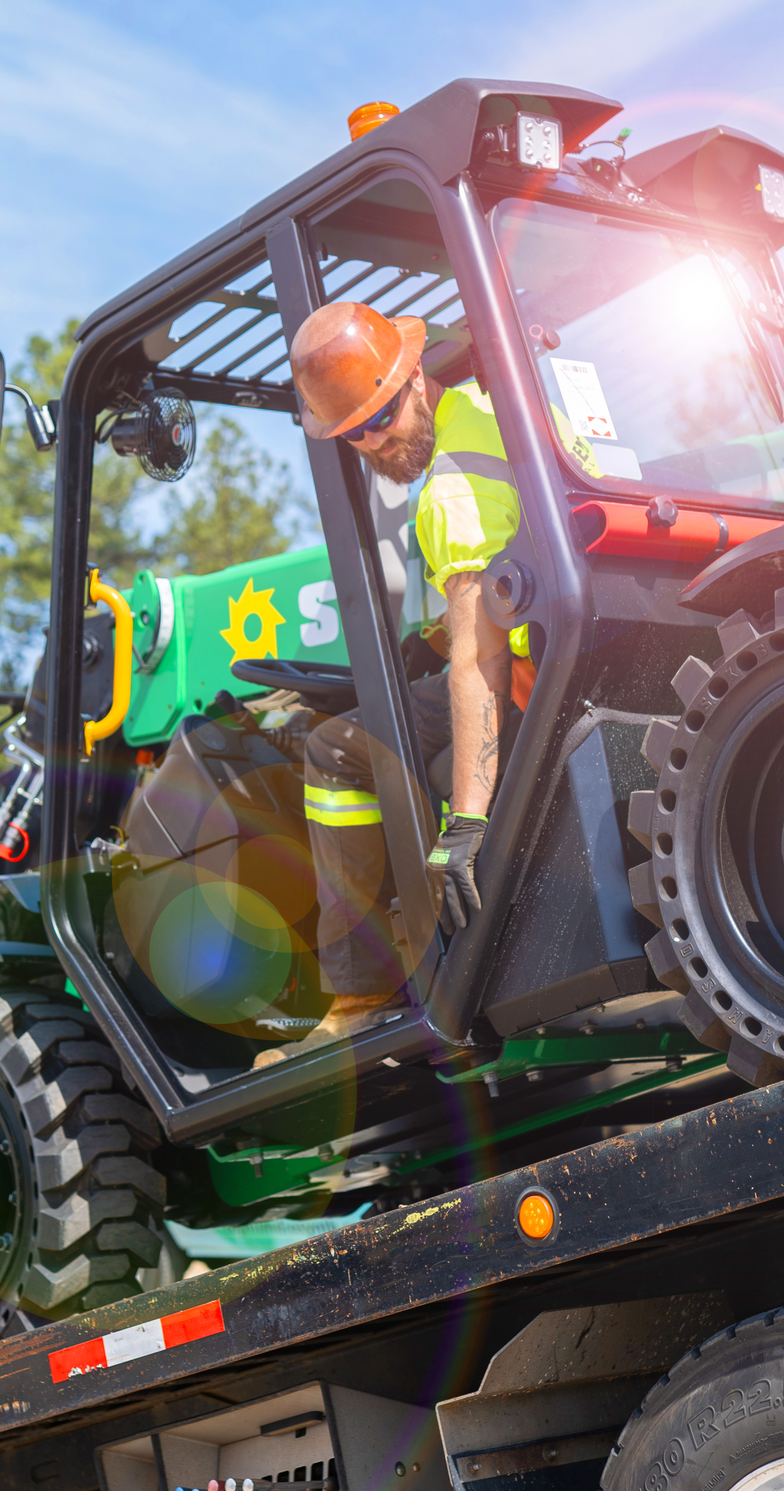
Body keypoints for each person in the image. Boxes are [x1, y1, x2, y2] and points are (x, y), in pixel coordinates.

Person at [253, 301, 522, 1066]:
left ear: (414, 374)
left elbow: (482, 662)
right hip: (568, 647)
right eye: (354, 434)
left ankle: (358, 994)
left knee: (338, 748)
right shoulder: (491, 412)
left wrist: (468, 826)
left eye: (383, 417)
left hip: (526, 679)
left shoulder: (449, 495)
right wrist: (429, 643)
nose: (375, 443)